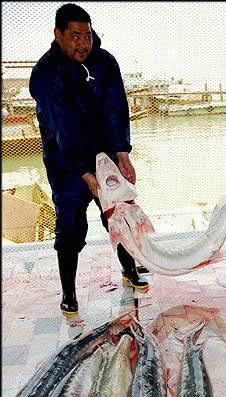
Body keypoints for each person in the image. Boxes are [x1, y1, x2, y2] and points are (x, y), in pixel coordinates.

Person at [29, 3, 149, 315]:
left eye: (87, 36)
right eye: (75, 36)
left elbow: (116, 108)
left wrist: (122, 152)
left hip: (105, 153)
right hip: (65, 161)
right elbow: (62, 126)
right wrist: (85, 174)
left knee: (119, 211)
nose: (83, 43)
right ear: (58, 35)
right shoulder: (45, 74)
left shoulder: (105, 62)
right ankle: (69, 292)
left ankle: (130, 269)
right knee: (70, 225)